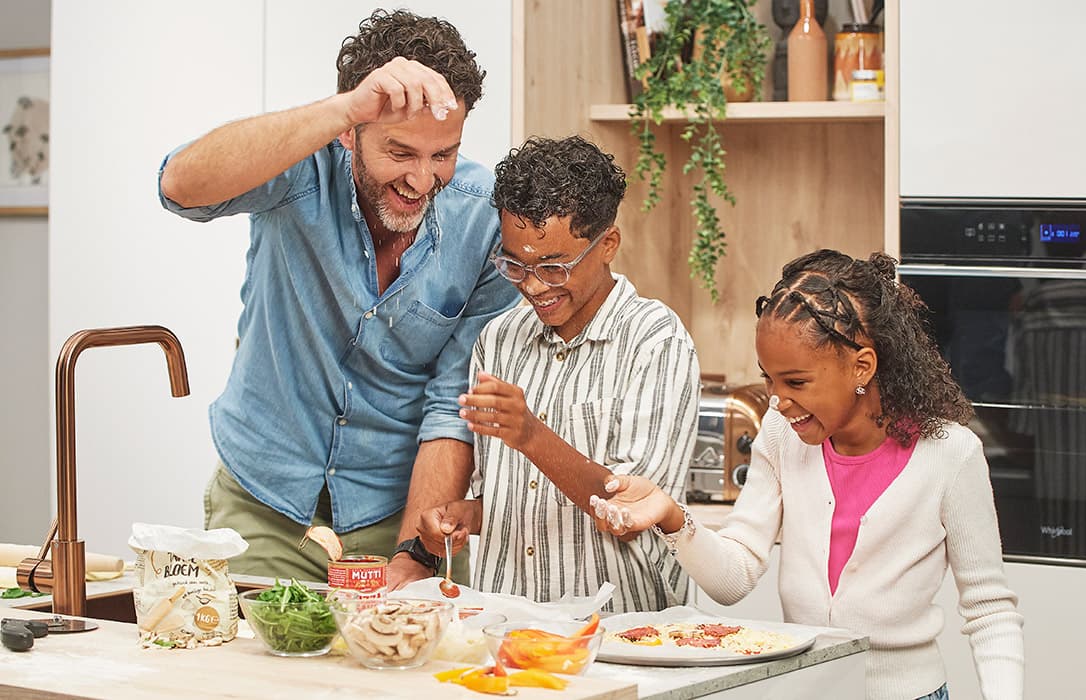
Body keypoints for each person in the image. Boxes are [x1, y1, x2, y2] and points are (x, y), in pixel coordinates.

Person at [157, 9, 520, 587]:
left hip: (396, 516)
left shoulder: (487, 222)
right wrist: (343, 107)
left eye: (442, 154)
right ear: (351, 133)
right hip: (264, 505)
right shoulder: (300, 167)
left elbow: (454, 403)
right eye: (401, 153)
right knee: (251, 674)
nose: (423, 180)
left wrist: (415, 554)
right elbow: (180, 186)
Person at [590, 250, 1025, 699]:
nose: (777, 400)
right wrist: (672, 517)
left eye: (795, 382)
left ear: (862, 367)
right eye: (769, 380)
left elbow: (990, 610)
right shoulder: (781, 435)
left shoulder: (950, 454)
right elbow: (733, 578)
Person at [415, 135, 700, 613]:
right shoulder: (498, 340)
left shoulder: (656, 340)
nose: (531, 285)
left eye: (553, 266)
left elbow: (630, 512)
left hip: (620, 633)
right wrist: (468, 514)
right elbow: (520, 497)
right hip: (506, 626)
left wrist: (530, 434)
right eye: (514, 264)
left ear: (607, 244)